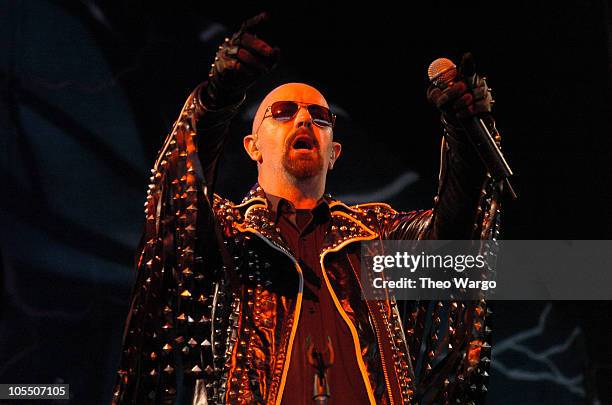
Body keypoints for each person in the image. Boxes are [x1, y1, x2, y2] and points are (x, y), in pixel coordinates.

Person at [112, 13, 499, 405]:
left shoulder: (372, 238)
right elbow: (178, 201)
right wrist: (217, 100)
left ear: (334, 153)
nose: (303, 119)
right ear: (252, 146)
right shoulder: (229, 233)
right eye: (282, 112)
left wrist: (463, 137)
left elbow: (451, 241)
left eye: (320, 117)